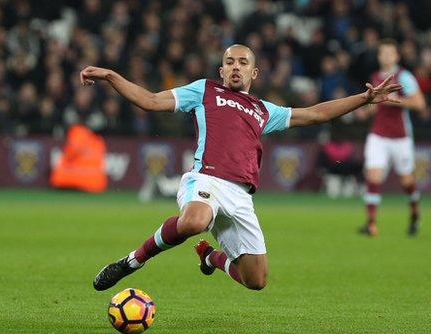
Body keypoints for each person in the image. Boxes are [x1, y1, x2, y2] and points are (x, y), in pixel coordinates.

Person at [80, 44, 401, 292]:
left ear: (254, 73)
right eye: (230, 62)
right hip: (206, 179)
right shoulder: (204, 90)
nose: (236, 67)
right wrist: (111, 76)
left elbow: (315, 114)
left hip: (241, 196)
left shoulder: (264, 110)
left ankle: (210, 257)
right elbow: (149, 101)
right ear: (221, 70)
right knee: (195, 220)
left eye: (243, 62)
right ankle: (133, 260)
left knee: (256, 280)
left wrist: (364, 99)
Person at [359, 39, 427, 237]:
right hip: (378, 134)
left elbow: (420, 104)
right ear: (379, 56)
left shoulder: (404, 77)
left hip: (400, 137)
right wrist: (366, 111)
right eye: (383, 53)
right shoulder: (374, 76)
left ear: (396, 56)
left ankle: (414, 212)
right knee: (372, 176)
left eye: (390, 53)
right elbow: (376, 105)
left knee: (406, 181)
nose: (386, 56)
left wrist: (393, 101)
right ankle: (371, 224)